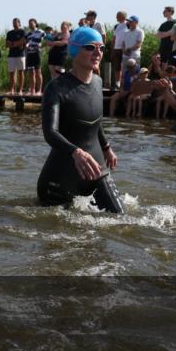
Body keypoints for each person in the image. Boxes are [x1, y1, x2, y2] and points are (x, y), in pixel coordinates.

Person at [38, 27, 124, 213]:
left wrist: (106, 147)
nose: (98, 53)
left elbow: (95, 120)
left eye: (101, 48)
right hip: (61, 177)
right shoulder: (57, 87)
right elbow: (50, 132)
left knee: (121, 219)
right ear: (75, 50)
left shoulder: (98, 82)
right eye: (91, 47)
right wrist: (76, 152)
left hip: (96, 169)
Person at [5, 18, 27, 94]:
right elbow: (7, 44)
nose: (14, 24)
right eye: (13, 22)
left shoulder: (22, 32)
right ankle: (12, 90)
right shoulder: (9, 33)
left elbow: (23, 41)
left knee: (21, 72)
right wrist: (17, 44)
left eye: (15, 22)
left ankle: (20, 90)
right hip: (11, 55)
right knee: (12, 73)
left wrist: (13, 44)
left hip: (21, 55)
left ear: (19, 23)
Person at [24, 18, 45, 95]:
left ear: (35, 23)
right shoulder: (28, 34)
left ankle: (39, 90)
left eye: (31, 23)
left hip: (37, 54)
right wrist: (26, 45)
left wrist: (40, 46)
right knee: (31, 72)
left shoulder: (41, 32)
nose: (30, 24)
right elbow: (27, 42)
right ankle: (32, 90)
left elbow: (45, 41)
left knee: (38, 72)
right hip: (30, 54)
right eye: (29, 23)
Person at [110, 11, 128, 90]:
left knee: (125, 67)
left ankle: (125, 83)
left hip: (125, 49)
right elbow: (114, 38)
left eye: (118, 16)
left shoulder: (128, 24)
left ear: (123, 16)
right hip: (116, 48)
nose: (116, 17)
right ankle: (117, 84)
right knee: (117, 67)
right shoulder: (116, 26)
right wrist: (113, 49)